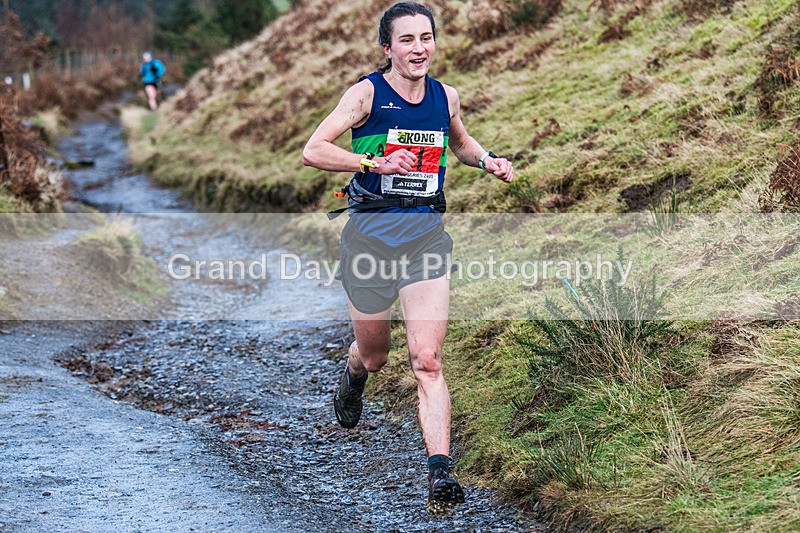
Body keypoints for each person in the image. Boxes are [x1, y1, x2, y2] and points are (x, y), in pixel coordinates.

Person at [302, 2, 514, 508]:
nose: (418, 49)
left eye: (426, 38)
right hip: (370, 243)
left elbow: (459, 143)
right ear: (388, 48)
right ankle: (353, 374)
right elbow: (314, 150)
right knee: (376, 356)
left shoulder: (446, 97)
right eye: (407, 40)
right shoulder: (367, 94)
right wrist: (370, 162)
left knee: (427, 359)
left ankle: (439, 473)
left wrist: (487, 161)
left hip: (424, 240)